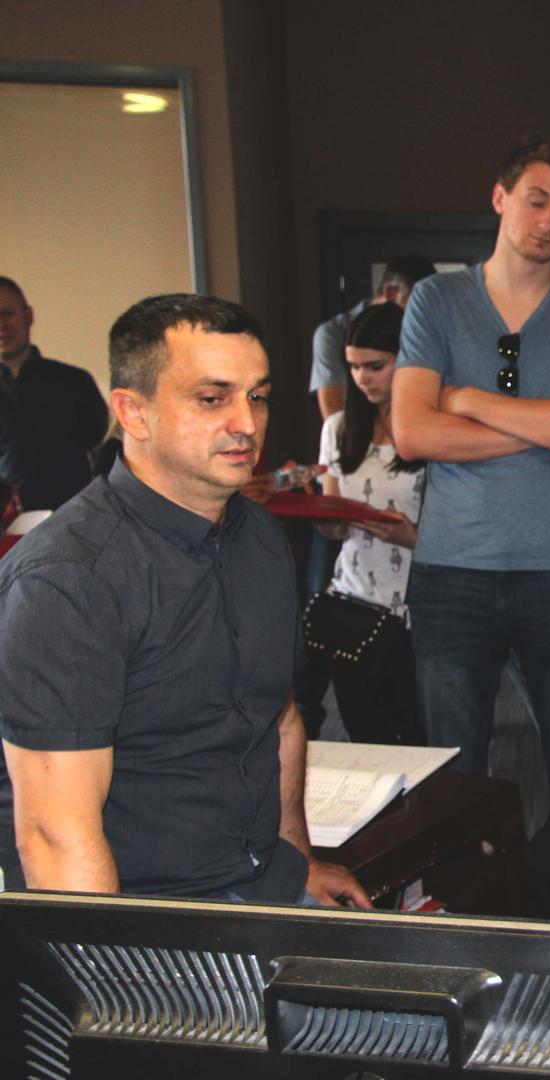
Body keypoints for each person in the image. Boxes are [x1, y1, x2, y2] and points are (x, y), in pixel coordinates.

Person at [0, 293, 367, 907]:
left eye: (257, 396)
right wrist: (122, 972)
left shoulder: (260, 538)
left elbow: (278, 720)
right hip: (148, 919)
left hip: (259, 881)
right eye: (212, 398)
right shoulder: (66, 580)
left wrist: (297, 864)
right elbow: (55, 840)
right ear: (133, 413)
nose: (247, 423)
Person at [391, 134, 550, 792]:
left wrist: (467, 401)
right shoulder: (436, 300)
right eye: (536, 201)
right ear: (500, 197)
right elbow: (412, 432)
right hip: (452, 569)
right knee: (451, 769)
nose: (549, 220)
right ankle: (469, 866)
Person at [313, 302, 425, 746]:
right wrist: (329, 524)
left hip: (419, 609)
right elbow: (333, 514)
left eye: (376, 366)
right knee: (367, 740)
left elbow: (468, 528)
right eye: (354, 367)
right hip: (354, 598)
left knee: (421, 739)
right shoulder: (338, 429)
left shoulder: (431, 431)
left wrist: (412, 537)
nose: (362, 379)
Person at [0, 276, 109, 511]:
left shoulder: (75, 381)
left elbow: (99, 446)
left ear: (28, 316)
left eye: (7, 313)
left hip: (74, 516)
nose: (2, 325)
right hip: (7, 523)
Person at [312, 254, 437, 420]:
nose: (362, 378)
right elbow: (334, 411)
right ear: (391, 293)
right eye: (354, 367)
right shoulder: (334, 334)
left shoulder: (420, 330)